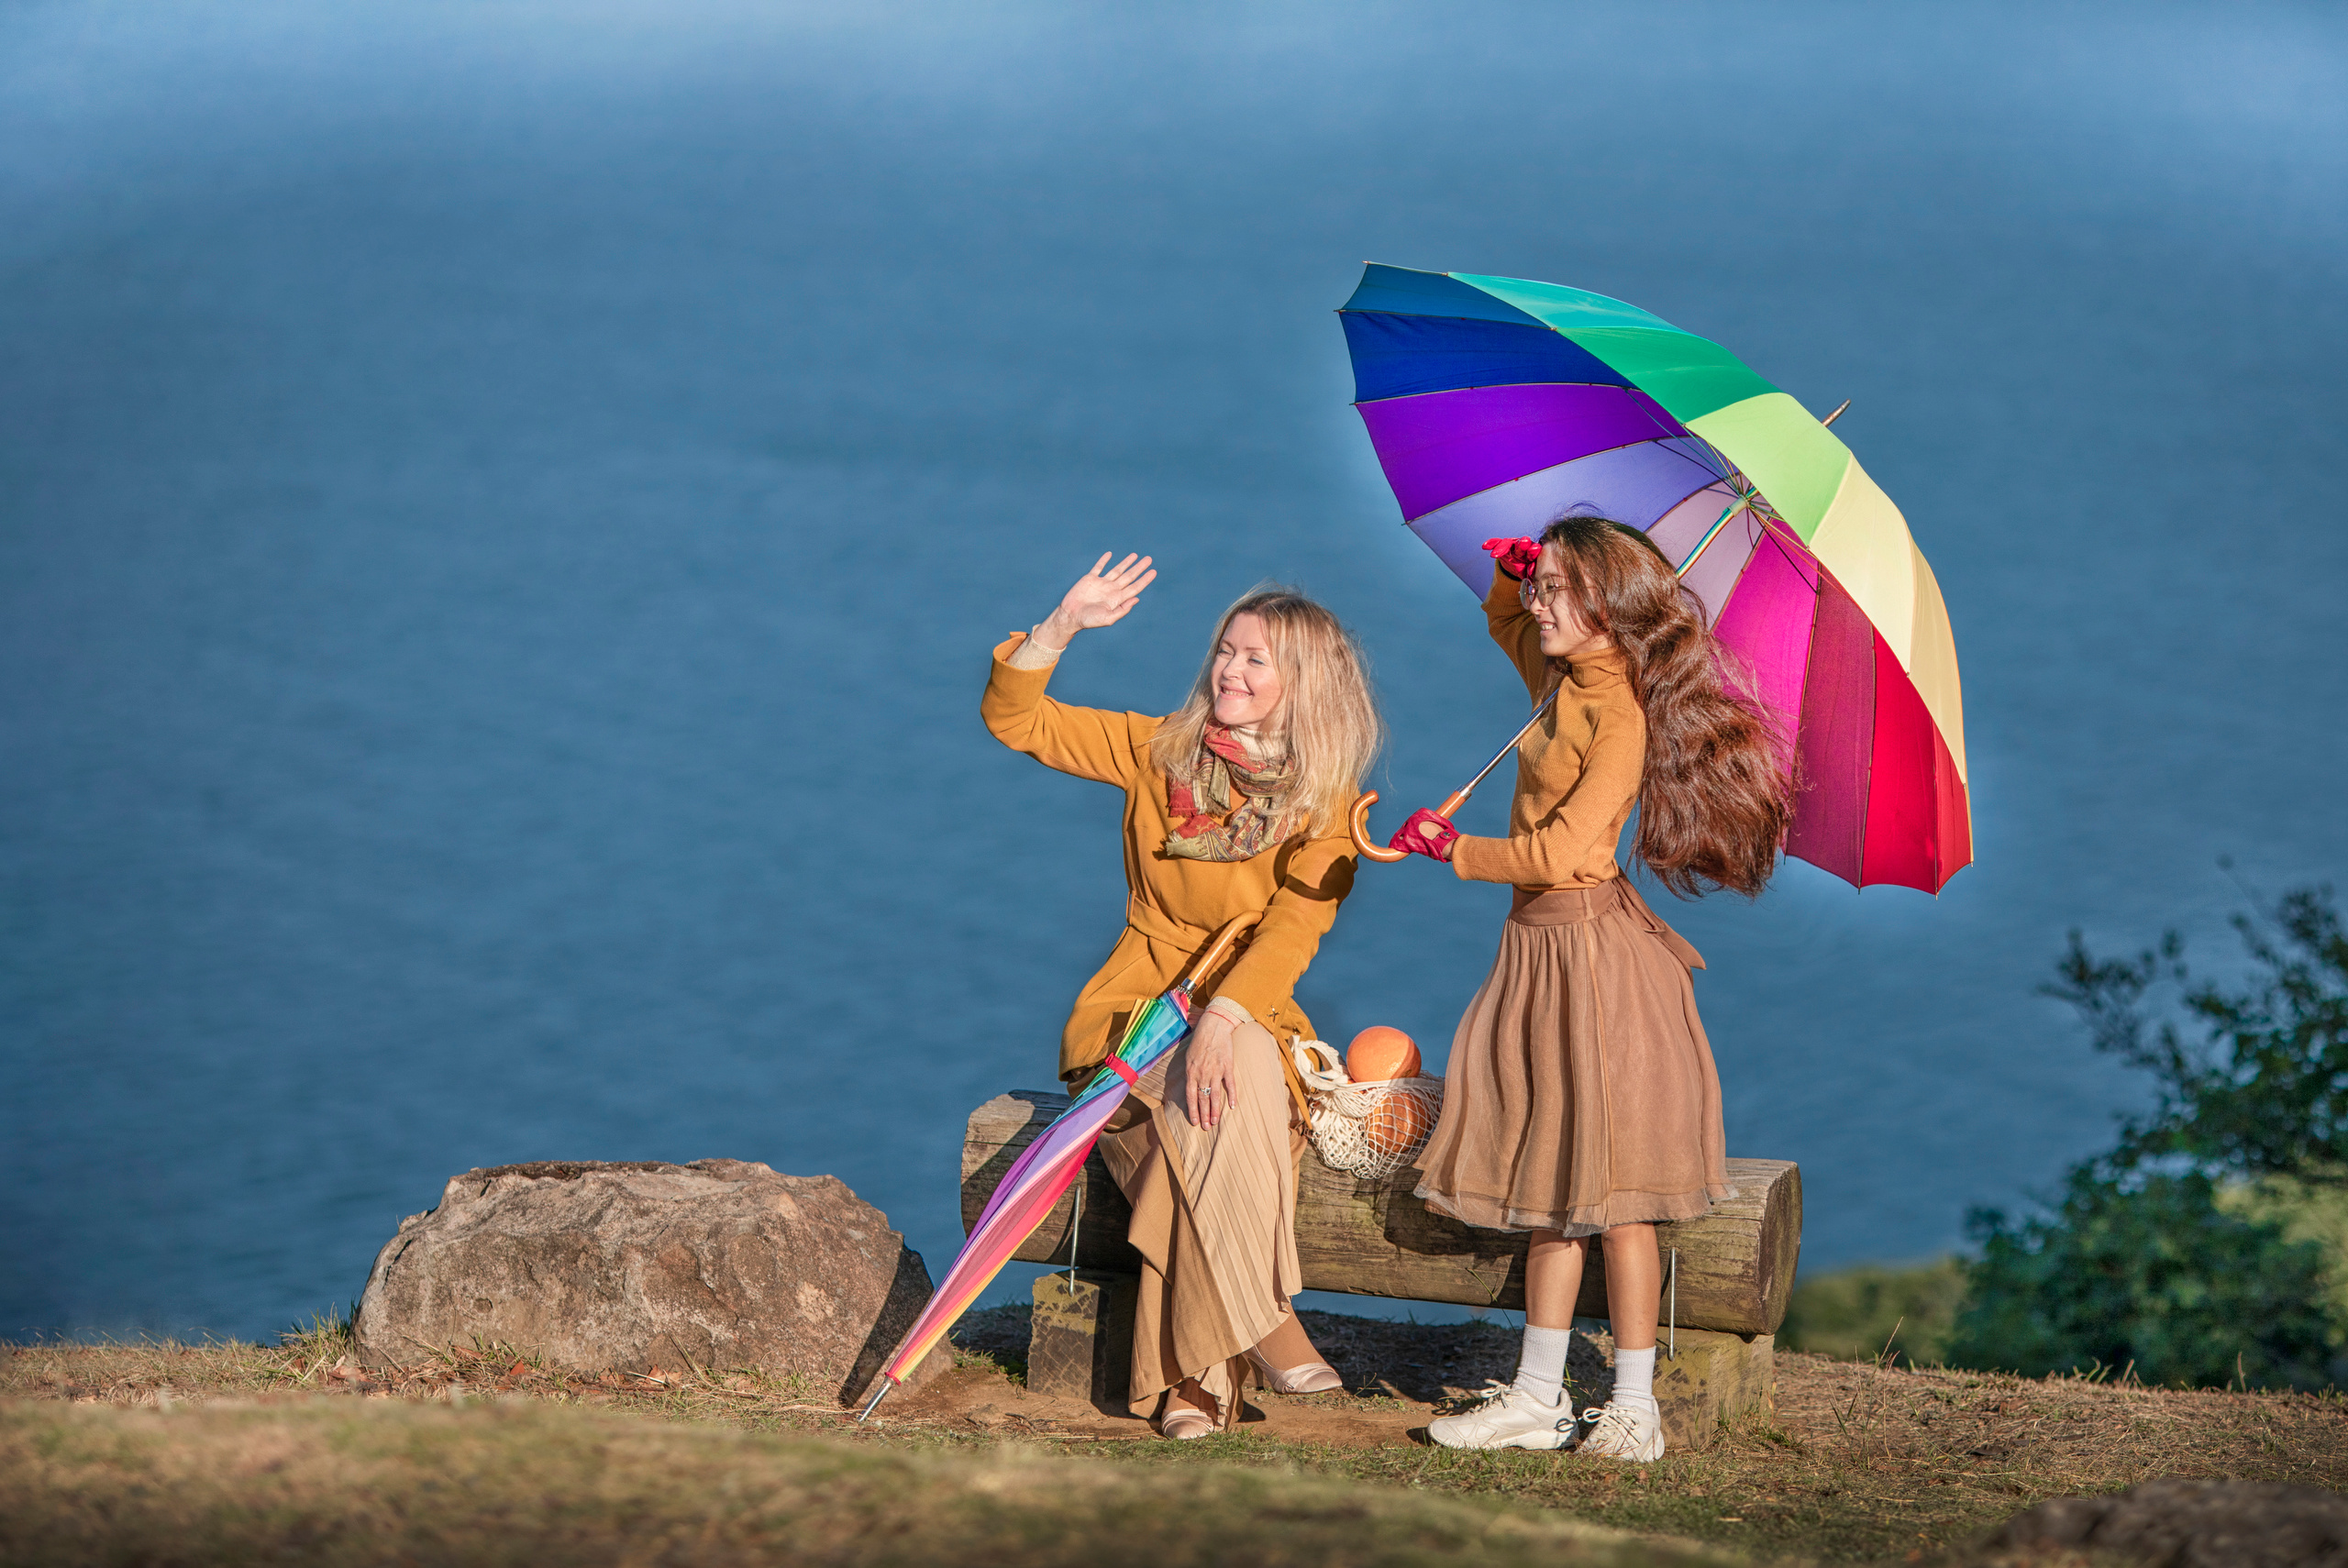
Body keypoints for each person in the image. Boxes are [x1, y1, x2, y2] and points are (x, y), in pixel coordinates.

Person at [1390, 515, 1789, 1462]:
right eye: (1544, 583)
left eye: (1561, 590)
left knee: (1615, 1200)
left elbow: (1563, 853)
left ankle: (1634, 1409)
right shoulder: (1558, 678)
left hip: (1595, 962)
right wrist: (1513, 575)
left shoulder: (1621, 715)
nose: (1541, 603)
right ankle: (1537, 1396)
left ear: (1610, 607)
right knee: (1551, 1185)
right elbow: (1506, 622)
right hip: (1539, 951)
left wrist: (1454, 849)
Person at [982, 552, 1383, 1439]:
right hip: (1134, 1011)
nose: (1230, 671)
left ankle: (1189, 1385)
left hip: (1248, 1006)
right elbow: (1017, 721)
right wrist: (1060, 627)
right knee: (1213, 1107)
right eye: (1226, 651)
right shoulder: (1160, 749)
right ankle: (1263, 1321)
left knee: (1209, 1111)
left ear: (1303, 685)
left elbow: (1290, 934)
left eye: (1256, 660)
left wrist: (1222, 1021)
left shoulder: (1331, 806)